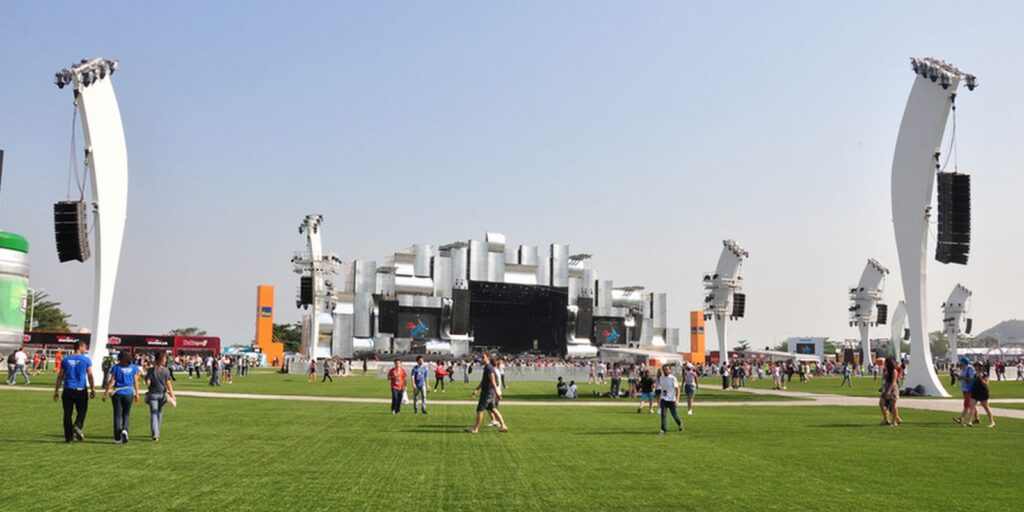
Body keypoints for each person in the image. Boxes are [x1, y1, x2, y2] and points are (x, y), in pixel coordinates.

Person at [52, 341, 95, 442]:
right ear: (80, 347)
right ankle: (77, 425)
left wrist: (56, 390)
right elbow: (89, 375)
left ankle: (68, 437)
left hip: (68, 389)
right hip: (81, 389)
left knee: (67, 413)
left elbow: (60, 376)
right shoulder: (86, 359)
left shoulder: (66, 360)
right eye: (85, 347)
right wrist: (92, 388)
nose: (86, 348)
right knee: (82, 411)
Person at [103, 351, 140, 444]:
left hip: (118, 393)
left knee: (117, 415)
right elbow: (136, 382)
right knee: (126, 413)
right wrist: (137, 394)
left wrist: (105, 393)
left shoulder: (116, 368)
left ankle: (117, 437)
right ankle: (125, 429)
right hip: (129, 392)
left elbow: (111, 381)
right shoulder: (133, 367)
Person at [466, 353, 508, 433]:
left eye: (483, 357)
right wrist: (477, 389)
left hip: (487, 393)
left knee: (480, 410)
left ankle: (475, 429)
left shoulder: (489, 368)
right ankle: (503, 425)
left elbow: (493, 381)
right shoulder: (487, 368)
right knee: (493, 409)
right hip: (489, 392)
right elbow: (484, 381)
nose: (481, 359)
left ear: (488, 358)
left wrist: (497, 393)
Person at [145, 351, 176, 441]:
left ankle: (155, 433)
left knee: (153, 414)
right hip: (163, 394)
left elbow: (148, 382)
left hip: (153, 394)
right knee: (159, 413)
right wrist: (172, 395)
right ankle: (157, 431)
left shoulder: (151, 370)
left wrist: (146, 379)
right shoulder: (166, 370)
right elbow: (168, 383)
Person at [656, 365, 683, 434]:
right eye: (664, 369)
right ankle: (663, 430)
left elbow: (678, 389)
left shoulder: (672, 378)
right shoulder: (661, 378)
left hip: (671, 399)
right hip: (664, 399)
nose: (666, 371)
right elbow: (660, 389)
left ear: (670, 370)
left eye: (667, 369)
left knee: (674, 414)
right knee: (663, 415)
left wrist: (677, 400)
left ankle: (679, 424)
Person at [969, 362, 996, 428]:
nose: (976, 367)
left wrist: (981, 378)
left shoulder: (985, 374)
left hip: (983, 392)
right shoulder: (975, 374)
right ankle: (969, 422)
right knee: (972, 406)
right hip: (975, 392)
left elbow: (986, 384)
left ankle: (992, 422)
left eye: (978, 366)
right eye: (976, 366)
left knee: (986, 407)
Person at [954, 357, 977, 426]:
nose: (960, 363)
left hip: (969, 389)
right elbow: (961, 379)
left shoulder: (970, 369)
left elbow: (971, 378)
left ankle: (961, 418)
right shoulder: (963, 369)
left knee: (967, 405)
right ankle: (977, 418)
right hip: (964, 388)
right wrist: (958, 376)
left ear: (964, 362)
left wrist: (961, 377)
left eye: (961, 362)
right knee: (970, 405)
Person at [879, 357, 901, 426]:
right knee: (881, 403)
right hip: (885, 387)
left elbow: (894, 382)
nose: (884, 363)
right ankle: (886, 419)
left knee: (893, 404)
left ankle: (894, 421)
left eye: (885, 362)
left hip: (892, 388)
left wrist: (889, 391)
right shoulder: (886, 370)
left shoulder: (894, 371)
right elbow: (884, 380)